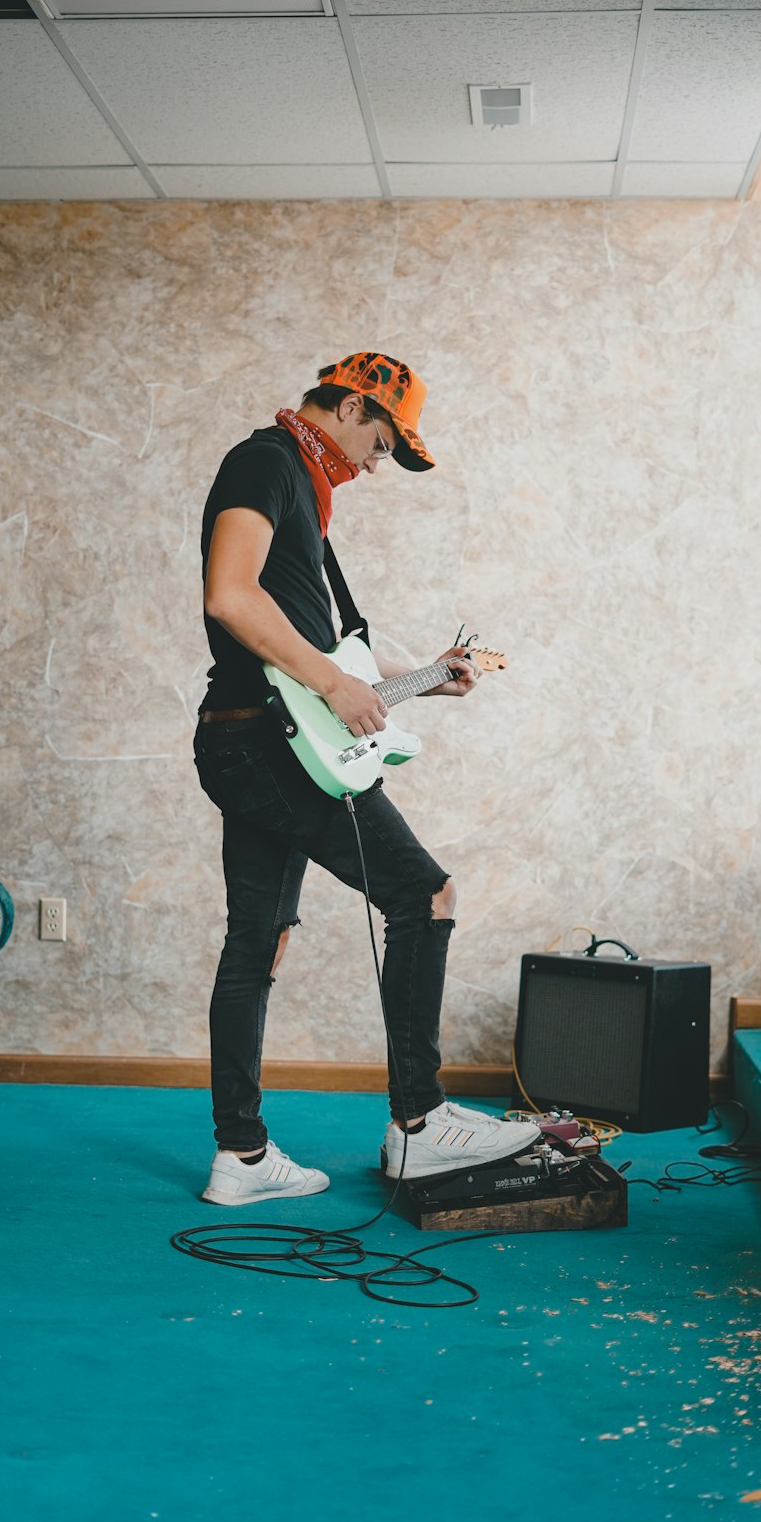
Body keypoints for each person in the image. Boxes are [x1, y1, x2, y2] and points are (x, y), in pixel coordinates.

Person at [194, 353, 540, 1206]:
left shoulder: (303, 484)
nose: (376, 466)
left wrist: (420, 675)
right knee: (426, 897)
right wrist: (331, 684)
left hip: (252, 737)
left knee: (258, 939)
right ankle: (421, 1125)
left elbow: (324, 645)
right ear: (350, 406)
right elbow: (231, 598)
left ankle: (240, 1156)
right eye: (380, 445)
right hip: (274, 744)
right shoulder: (266, 462)